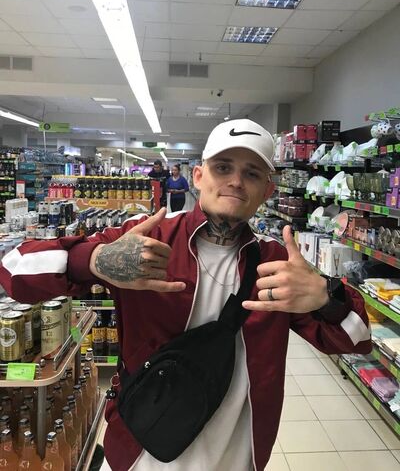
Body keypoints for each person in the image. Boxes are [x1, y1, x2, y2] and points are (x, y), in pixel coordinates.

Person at [0, 119, 371, 471]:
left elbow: (356, 341)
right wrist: (95, 260)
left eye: (252, 173)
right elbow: (14, 269)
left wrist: (326, 296)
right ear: (198, 177)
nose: (236, 181)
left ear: (267, 191)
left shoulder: (276, 264)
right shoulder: (145, 239)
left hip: (238, 457)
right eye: (223, 168)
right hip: (142, 454)